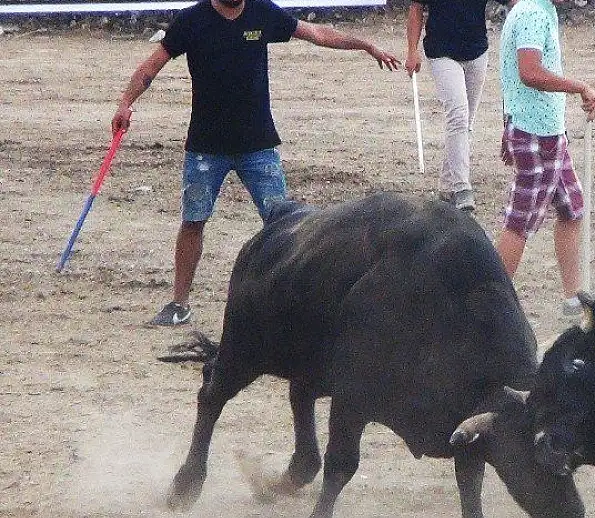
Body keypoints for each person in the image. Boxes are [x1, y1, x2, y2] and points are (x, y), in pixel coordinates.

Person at [111, 0, 401, 327]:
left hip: (258, 144)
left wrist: (366, 45)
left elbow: (318, 34)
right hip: (207, 146)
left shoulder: (262, 12)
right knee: (194, 220)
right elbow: (151, 68)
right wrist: (124, 104)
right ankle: (180, 303)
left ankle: (295, 302)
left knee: (283, 225)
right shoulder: (192, 20)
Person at [496, 0, 595, 317]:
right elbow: (528, 72)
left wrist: (508, 122)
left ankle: (574, 298)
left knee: (572, 206)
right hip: (536, 134)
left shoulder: (540, 10)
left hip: (544, 131)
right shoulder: (532, 13)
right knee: (520, 222)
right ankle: (492, 306)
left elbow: (513, 75)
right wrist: (578, 86)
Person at [404, 0, 507, 212]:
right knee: (458, 116)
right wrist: (411, 50)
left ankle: (446, 186)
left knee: (465, 121)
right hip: (441, 52)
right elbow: (416, 9)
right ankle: (461, 187)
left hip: (477, 51)